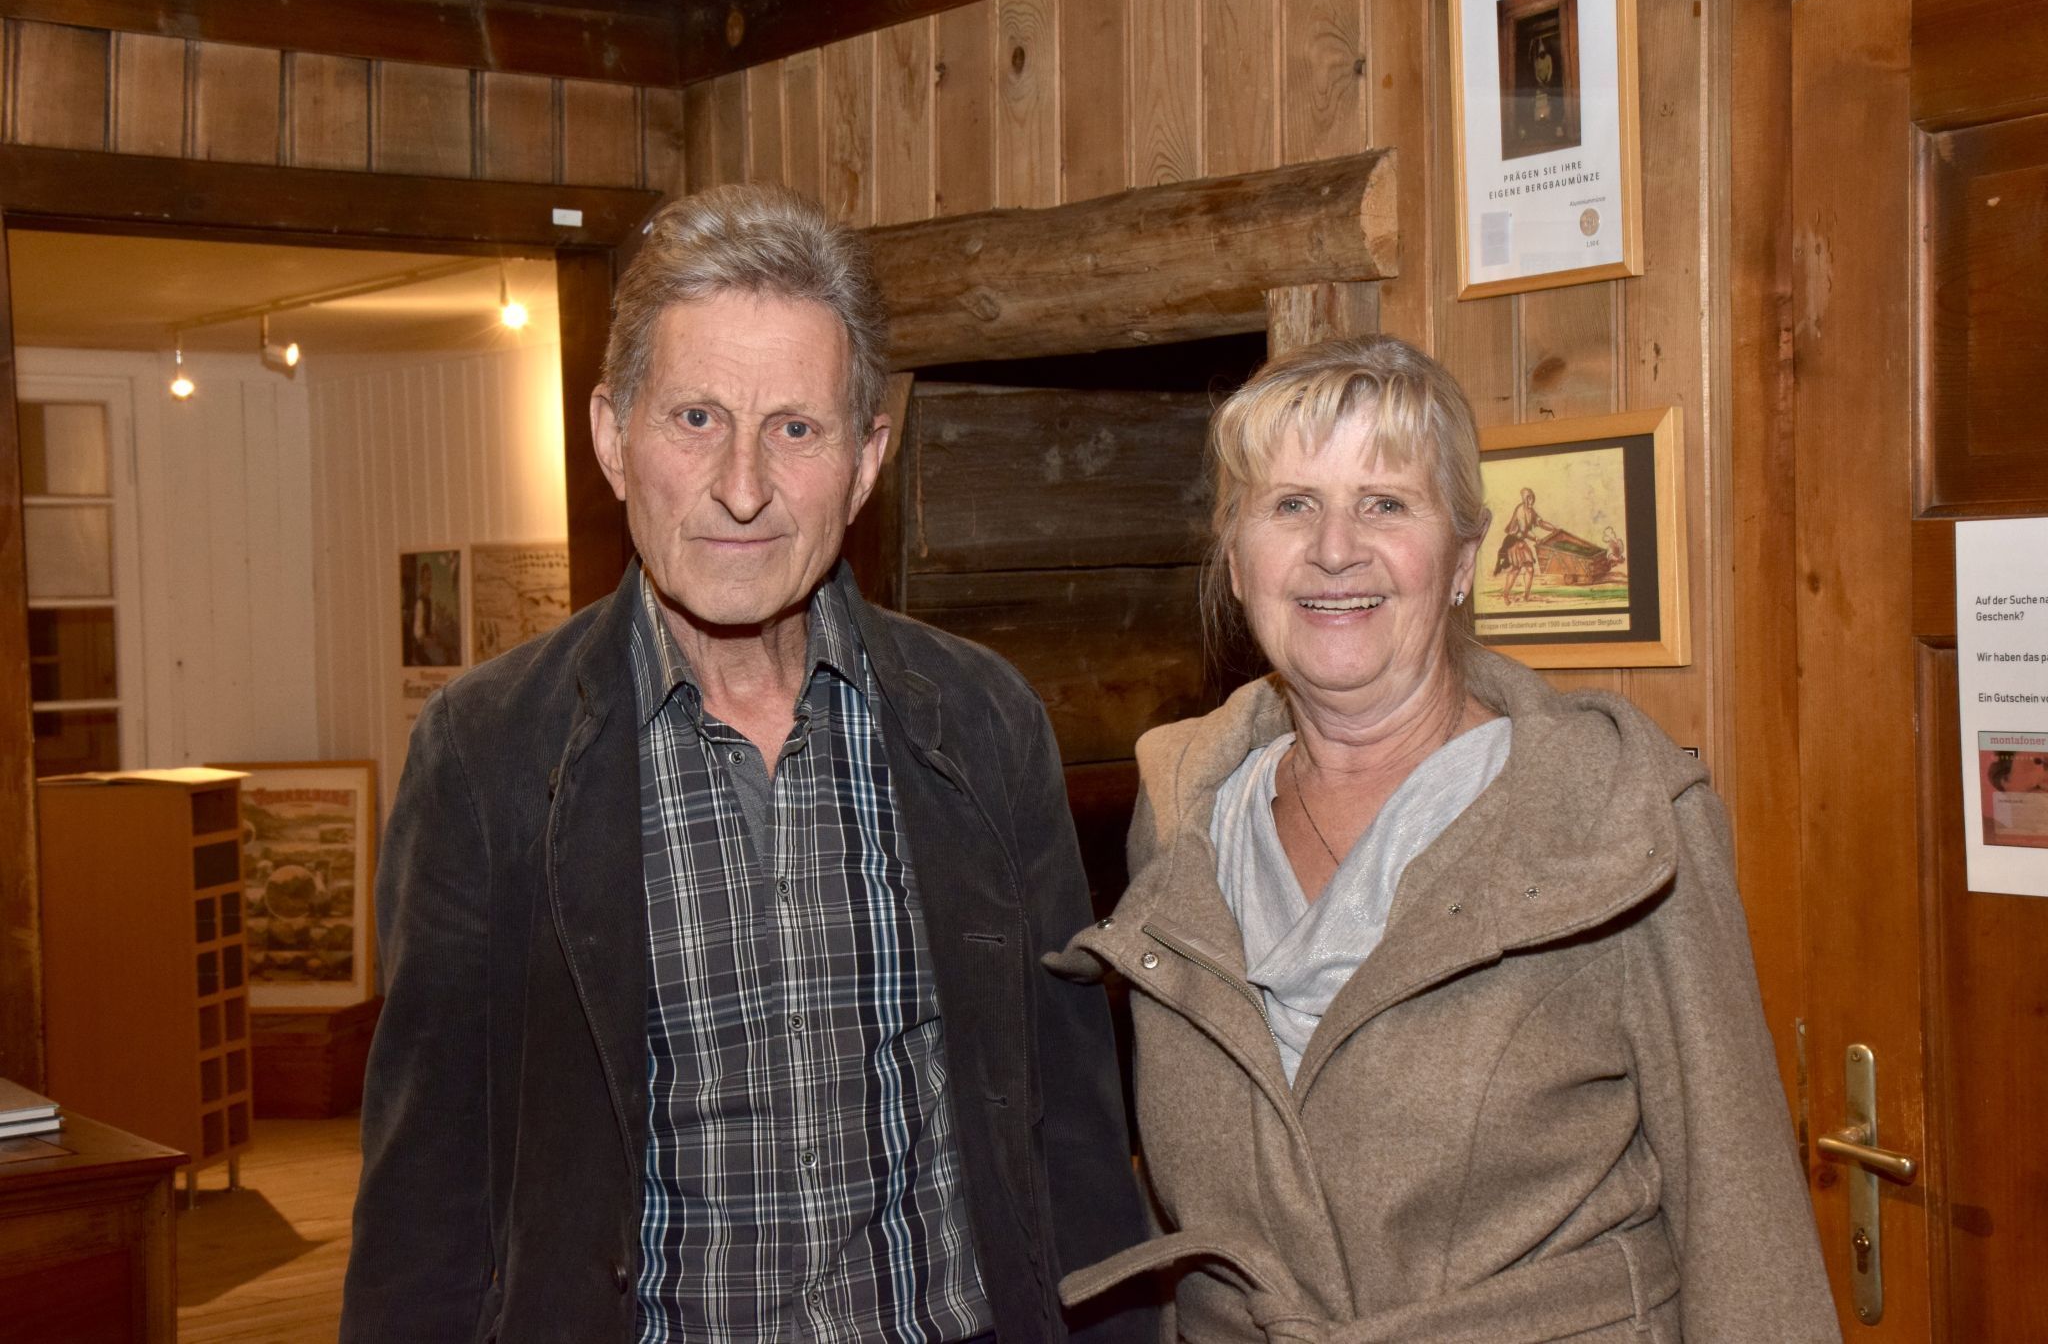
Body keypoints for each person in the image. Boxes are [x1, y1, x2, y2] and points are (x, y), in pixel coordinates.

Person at [343, 185, 1152, 1344]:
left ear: (865, 458)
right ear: (612, 435)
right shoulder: (489, 753)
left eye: (796, 427)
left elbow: (1072, 1134)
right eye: (694, 419)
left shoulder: (980, 721)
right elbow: (426, 1197)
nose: (740, 486)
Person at [1052, 336, 1840, 1342]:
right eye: (1289, 503)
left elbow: (1741, 1213)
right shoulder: (1181, 813)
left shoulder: (1615, 809)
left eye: (1384, 501)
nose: (1334, 547)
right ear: (1234, 553)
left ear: (1463, 557)